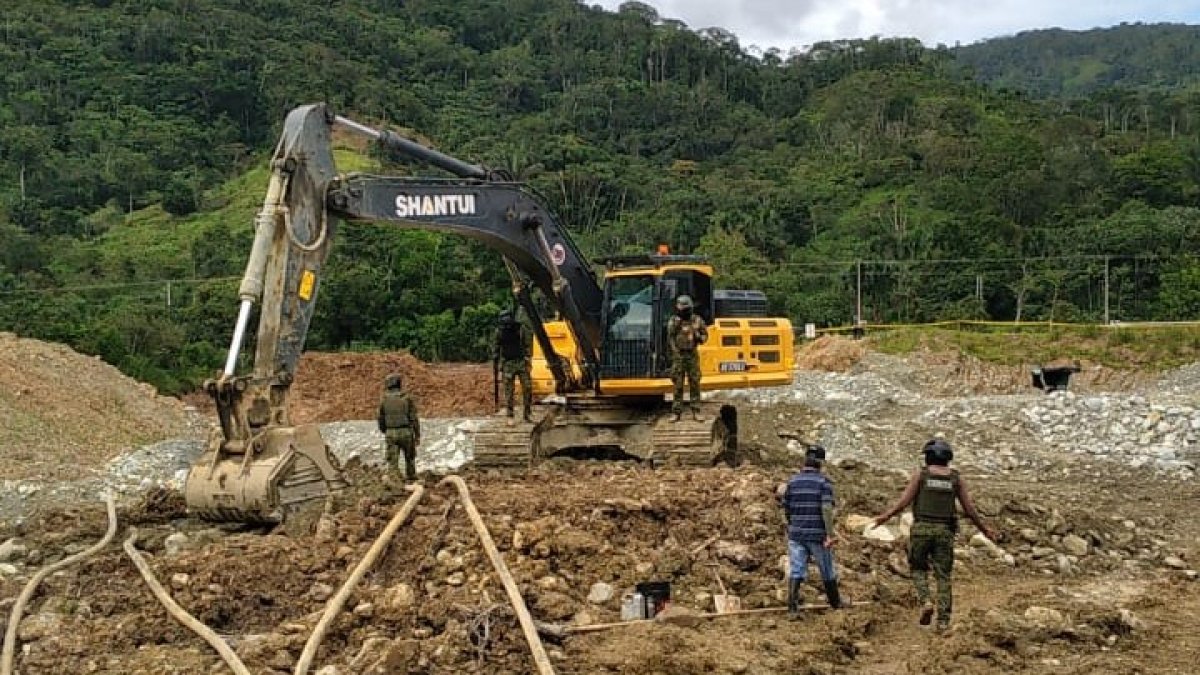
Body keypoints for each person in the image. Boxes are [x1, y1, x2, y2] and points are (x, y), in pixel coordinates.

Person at [874, 439, 998, 632]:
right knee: (943, 576)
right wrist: (985, 530)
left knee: (918, 569)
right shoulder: (956, 479)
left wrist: (886, 516)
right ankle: (943, 621)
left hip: (921, 530)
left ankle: (925, 600)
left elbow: (903, 502)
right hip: (944, 532)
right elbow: (970, 510)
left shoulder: (921, 475)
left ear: (928, 457)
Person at [778, 445, 842, 617]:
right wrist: (829, 534)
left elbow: (785, 507)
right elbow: (826, 509)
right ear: (821, 463)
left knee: (797, 569)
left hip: (796, 534)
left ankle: (792, 608)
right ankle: (836, 603)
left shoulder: (792, 482)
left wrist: (792, 525)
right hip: (817, 535)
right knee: (827, 569)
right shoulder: (823, 483)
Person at [666, 294, 708, 422]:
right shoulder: (674, 321)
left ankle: (696, 411)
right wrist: (675, 353)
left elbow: (705, 336)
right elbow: (670, 338)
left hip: (692, 354)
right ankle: (676, 412)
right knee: (678, 384)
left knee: (694, 382)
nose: (683, 311)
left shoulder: (697, 320)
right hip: (679, 355)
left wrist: (697, 335)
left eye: (685, 308)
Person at [377, 373, 421, 481]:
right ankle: (411, 478)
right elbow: (414, 418)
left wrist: (385, 431)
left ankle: (394, 480)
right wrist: (417, 435)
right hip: (406, 432)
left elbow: (380, 418)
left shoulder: (384, 400)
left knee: (392, 461)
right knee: (410, 458)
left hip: (391, 432)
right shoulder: (407, 399)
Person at [494, 308, 533, 424]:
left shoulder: (520, 328)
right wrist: (497, 363)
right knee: (509, 391)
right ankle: (510, 415)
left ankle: (527, 413)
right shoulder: (499, 332)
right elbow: (496, 347)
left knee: (527, 387)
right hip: (507, 363)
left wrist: (528, 358)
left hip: (521, 362)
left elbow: (527, 343)